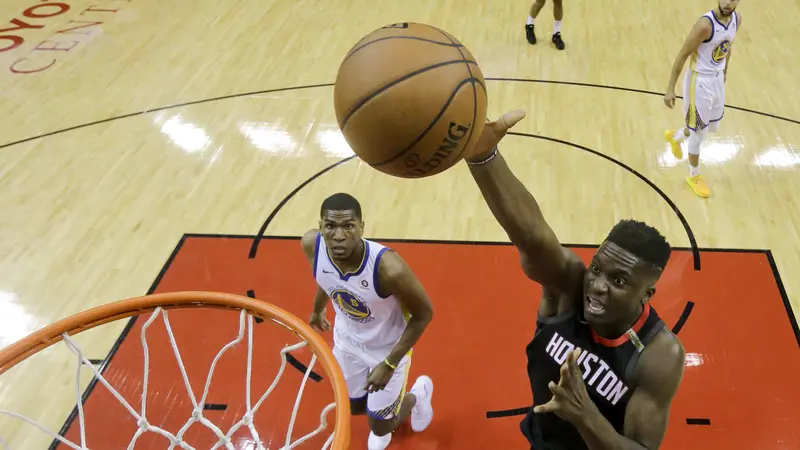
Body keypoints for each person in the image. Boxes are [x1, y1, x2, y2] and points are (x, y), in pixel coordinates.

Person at [462, 110, 686, 450]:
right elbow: (534, 237)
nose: (596, 285)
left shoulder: (658, 354)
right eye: (597, 269)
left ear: (648, 293)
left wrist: (584, 414)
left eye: (619, 281)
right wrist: (483, 157)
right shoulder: (570, 288)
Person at [300, 193, 434, 450]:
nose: (338, 235)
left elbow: (424, 313)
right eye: (330, 226)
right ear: (321, 227)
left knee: (380, 425)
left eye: (348, 226)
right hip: (347, 342)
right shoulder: (311, 245)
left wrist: (389, 363)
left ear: (362, 227)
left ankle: (419, 395)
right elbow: (326, 278)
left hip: (385, 349)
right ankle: (383, 413)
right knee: (354, 406)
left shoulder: (388, 268)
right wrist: (318, 309)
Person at [663, 0, 741, 198]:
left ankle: (676, 137)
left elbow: (727, 46)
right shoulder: (705, 25)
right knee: (699, 133)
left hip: (715, 79)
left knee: (704, 126)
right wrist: (670, 87)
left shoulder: (736, 20)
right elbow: (683, 54)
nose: (728, 3)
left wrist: (725, 70)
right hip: (699, 81)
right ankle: (694, 176)